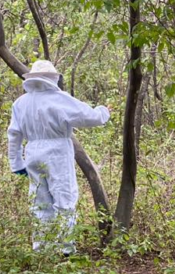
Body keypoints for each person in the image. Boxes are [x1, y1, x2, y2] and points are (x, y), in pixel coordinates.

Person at [7, 60, 110, 254]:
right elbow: (89, 116)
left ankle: (42, 248)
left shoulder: (20, 103)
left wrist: (16, 162)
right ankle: (65, 248)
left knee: (40, 201)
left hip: (32, 153)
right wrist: (104, 112)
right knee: (64, 197)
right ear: (53, 77)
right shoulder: (59, 98)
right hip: (57, 152)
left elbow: (14, 135)